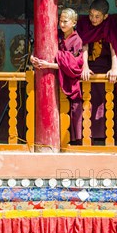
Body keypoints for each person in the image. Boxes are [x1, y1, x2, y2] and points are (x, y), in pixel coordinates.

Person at [30, 8, 84, 143]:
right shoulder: (56, 36)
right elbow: (42, 49)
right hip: (54, 80)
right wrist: (33, 57)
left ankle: (73, 141)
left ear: (74, 23)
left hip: (69, 82)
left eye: (65, 21)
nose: (62, 24)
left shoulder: (77, 41)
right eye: (60, 21)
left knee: (73, 112)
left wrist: (48, 65)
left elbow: (74, 66)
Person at [76, 0, 117, 142]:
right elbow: (84, 45)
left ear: (105, 16)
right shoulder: (84, 23)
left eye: (97, 16)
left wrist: (114, 68)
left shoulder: (110, 24)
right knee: (86, 100)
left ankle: (103, 135)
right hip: (89, 67)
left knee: (103, 101)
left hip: (104, 67)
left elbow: (114, 46)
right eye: (91, 15)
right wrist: (85, 67)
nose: (93, 19)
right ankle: (85, 135)